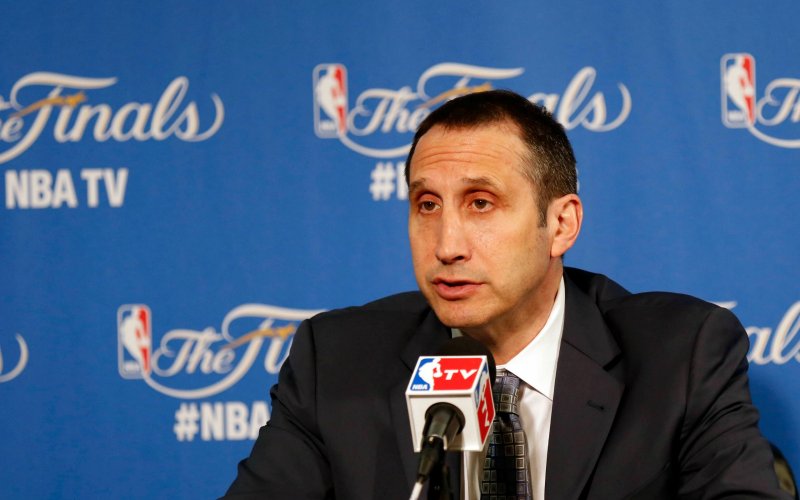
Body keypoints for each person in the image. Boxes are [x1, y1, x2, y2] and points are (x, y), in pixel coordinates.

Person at [223, 90, 785, 499]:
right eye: (427, 205)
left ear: (560, 225)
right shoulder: (336, 361)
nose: (446, 245)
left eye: (481, 204)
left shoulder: (680, 355)